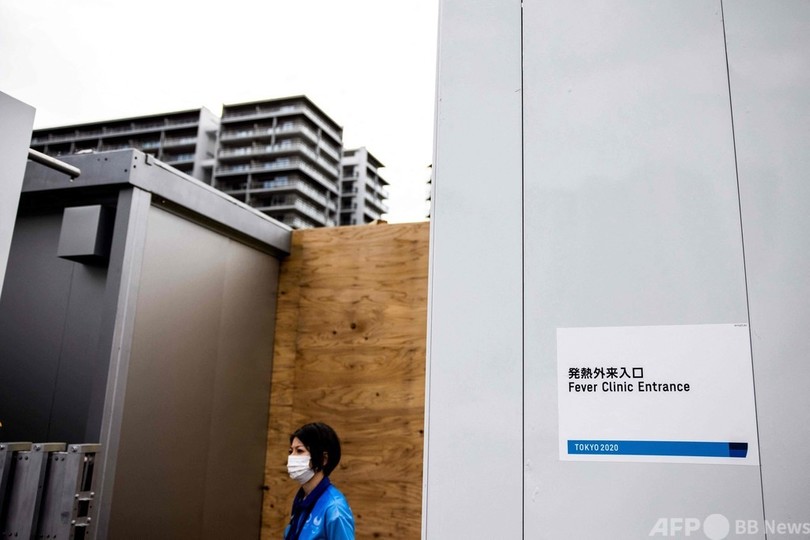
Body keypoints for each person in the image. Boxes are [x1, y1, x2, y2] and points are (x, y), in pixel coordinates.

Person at [285, 422, 355, 540]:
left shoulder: (335, 508)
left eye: (300, 451)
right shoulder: (301, 498)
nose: (292, 457)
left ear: (323, 459)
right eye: (290, 451)